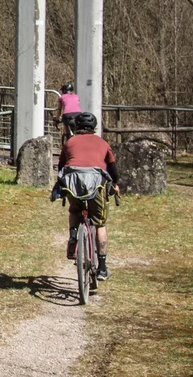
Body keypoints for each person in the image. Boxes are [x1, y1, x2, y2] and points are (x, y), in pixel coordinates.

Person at [50, 112, 120, 281]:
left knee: (75, 210)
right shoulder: (103, 143)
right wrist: (115, 185)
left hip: (73, 180)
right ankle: (102, 268)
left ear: (77, 127)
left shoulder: (69, 142)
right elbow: (113, 169)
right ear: (94, 128)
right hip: (96, 181)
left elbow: (60, 167)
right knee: (100, 223)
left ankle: (73, 235)